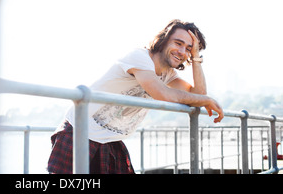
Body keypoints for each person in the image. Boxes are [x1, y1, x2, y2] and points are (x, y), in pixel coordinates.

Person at [47, 19, 224, 174]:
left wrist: (195, 58)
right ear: (163, 40)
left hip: (111, 140)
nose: (182, 51)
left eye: (188, 49)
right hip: (79, 132)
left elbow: (198, 95)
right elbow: (162, 94)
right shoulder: (139, 57)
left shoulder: (168, 73)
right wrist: (208, 101)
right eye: (178, 43)